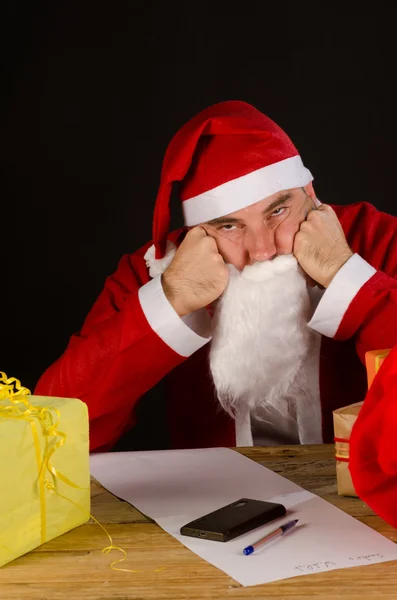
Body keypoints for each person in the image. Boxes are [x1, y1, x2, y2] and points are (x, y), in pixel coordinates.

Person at [35, 100, 397, 453]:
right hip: (210, 506)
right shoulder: (156, 270)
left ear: (311, 195)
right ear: (196, 230)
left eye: (279, 210)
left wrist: (349, 277)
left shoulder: (377, 239)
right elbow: (51, 432)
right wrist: (171, 299)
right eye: (229, 225)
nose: (262, 250)